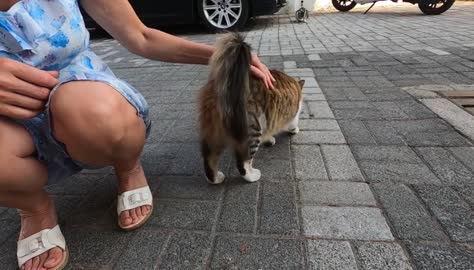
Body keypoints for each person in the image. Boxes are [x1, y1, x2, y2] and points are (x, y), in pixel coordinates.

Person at [0, 0, 275, 269]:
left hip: (81, 93)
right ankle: (33, 206)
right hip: (12, 122)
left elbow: (141, 37)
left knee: (92, 116)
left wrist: (227, 57)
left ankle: (127, 166)